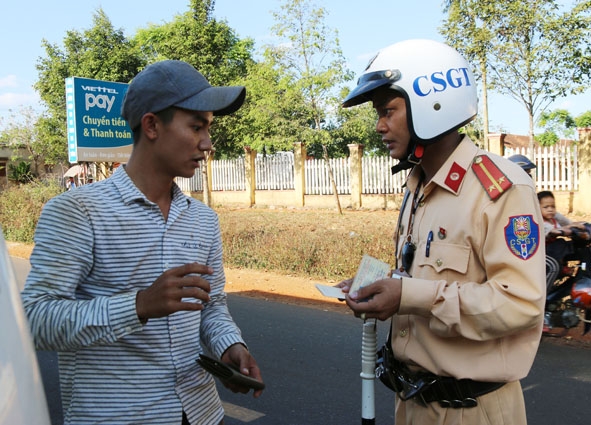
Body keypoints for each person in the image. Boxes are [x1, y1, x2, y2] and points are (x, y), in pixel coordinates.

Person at [21, 60, 263, 425]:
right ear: (151, 125)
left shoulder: (203, 219)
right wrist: (139, 305)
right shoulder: (77, 212)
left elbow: (211, 305)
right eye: (196, 127)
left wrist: (230, 345)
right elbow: (36, 320)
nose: (207, 143)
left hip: (200, 413)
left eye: (208, 129)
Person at [338, 39, 545, 425]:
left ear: (432, 104)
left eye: (388, 111)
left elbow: (521, 303)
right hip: (412, 401)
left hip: (472, 409)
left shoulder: (499, 189)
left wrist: (409, 296)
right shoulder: (417, 185)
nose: (380, 126)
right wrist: (377, 285)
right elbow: (419, 275)